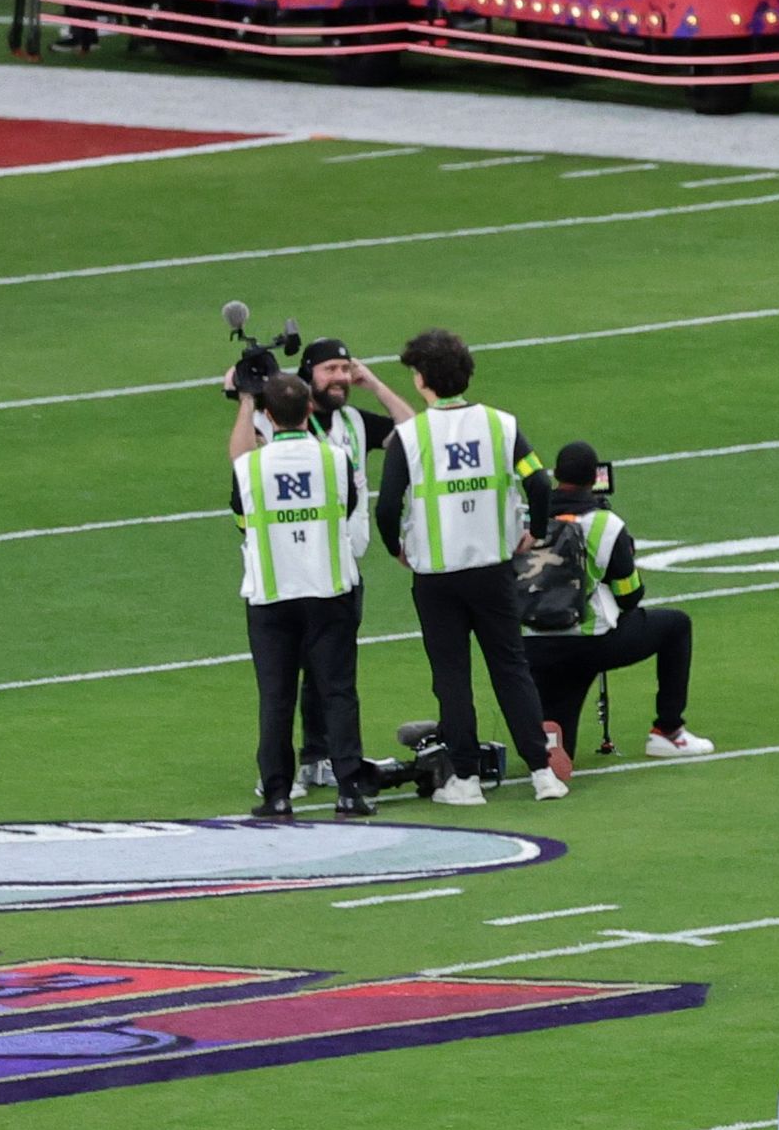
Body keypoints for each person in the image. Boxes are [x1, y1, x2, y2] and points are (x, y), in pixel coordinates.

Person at [350, 328, 562, 802]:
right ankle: (542, 772)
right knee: (511, 667)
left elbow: (388, 508)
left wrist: (395, 547)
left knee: (452, 676)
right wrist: (536, 530)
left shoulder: (410, 435)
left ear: (421, 380)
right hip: (492, 567)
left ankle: (465, 779)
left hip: (437, 576)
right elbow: (540, 483)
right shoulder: (501, 425)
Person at [225, 367, 368, 819]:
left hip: (271, 592)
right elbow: (347, 509)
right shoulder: (336, 459)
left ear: (268, 414)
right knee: (338, 691)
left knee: (276, 695)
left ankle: (278, 793)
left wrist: (244, 402)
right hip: (328, 586)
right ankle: (350, 790)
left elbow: (241, 519)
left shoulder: (248, 465)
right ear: (310, 408)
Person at [515, 442, 711, 768]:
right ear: (595, 479)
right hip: (593, 642)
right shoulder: (605, 525)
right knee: (677, 626)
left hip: (533, 647)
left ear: (556, 475)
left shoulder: (522, 522)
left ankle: (544, 745)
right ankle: (668, 732)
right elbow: (629, 596)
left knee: (560, 738)